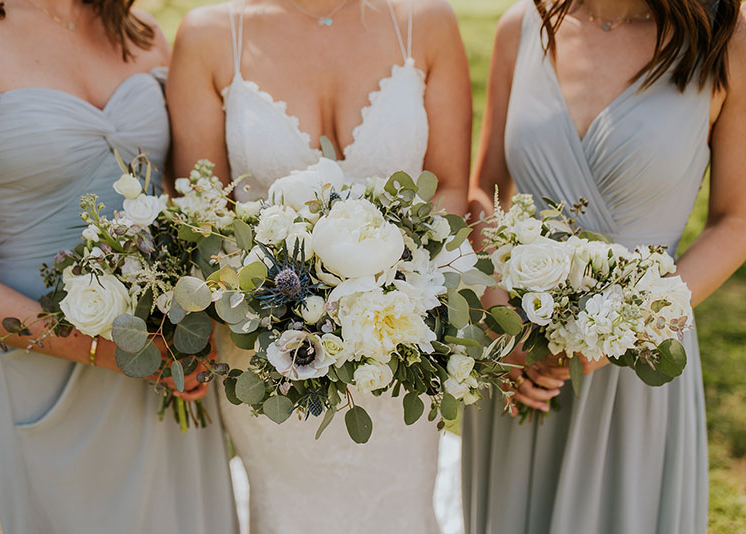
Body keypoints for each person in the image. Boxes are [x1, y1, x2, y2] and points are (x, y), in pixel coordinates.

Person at [167, 0, 471, 531]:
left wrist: (384, 284)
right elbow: (204, 215)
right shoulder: (211, 35)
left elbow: (447, 183)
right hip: (272, 356)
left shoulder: (425, 22)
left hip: (395, 342)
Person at [0, 0, 237, 531]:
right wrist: (109, 351)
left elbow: (190, 205)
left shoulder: (140, 31)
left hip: (171, 358)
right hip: (50, 366)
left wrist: (196, 320)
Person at [463, 0, 746, 532]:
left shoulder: (727, 37)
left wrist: (622, 330)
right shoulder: (521, 28)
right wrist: (497, 313)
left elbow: (736, 222)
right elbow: (486, 188)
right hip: (514, 355)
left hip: (638, 352)